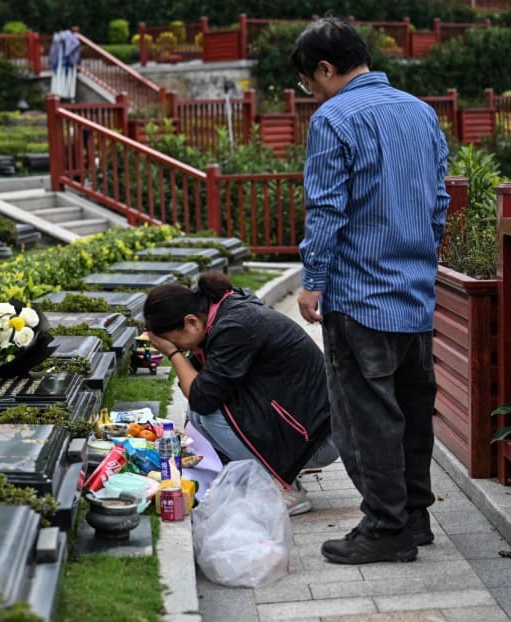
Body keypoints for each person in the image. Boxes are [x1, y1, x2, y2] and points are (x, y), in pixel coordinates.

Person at [291, 16, 450, 564]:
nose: (310, 93)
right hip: (414, 294)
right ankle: (414, 517)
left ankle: (385, 528)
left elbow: (328, 208)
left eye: (308, 82)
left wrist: (313, 282)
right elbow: (438, 203)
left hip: (360, 296)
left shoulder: (333, 118)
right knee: (411, 406)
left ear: (326, 69)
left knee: (366, 416)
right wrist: (420, 265)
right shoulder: (421, 111)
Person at [143, 270, 338, 516]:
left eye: (176, 341)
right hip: (303, 428)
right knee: (201, 413)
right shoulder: (223, 314)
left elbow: (202, 398)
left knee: (208, 413)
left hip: (319, 441)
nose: (180, 348)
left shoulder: (234, 327)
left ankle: (285, 490)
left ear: (192, 322)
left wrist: (173, 354)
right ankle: (266, 476)